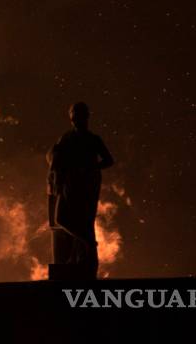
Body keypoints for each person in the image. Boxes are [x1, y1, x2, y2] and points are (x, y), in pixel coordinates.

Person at [47, 101, 114, 276]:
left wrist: (90, 168)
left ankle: (87, 249)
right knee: (62, 218)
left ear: (85, 118)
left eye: (79, 117)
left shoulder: (93, 139)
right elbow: (55, 157)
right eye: (74, 117)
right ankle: (85, 247)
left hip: (86, 184)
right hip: (70, 184)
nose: (76, 120)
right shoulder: (67, 138)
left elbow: (108, 160)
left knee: (83, 221)